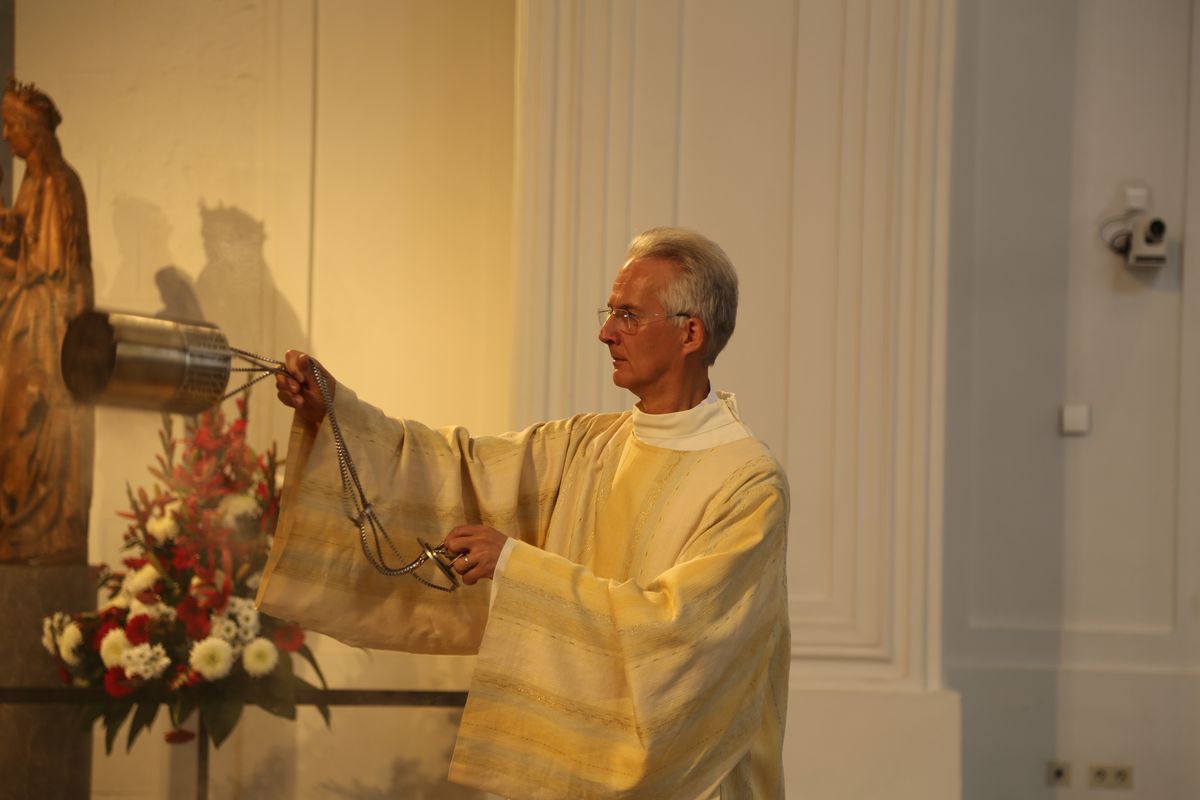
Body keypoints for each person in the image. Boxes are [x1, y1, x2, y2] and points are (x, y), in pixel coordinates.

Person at [257, 227, 790, 798]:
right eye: (609, 312)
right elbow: (458, 470)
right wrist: (338, 413)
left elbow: (682, 636)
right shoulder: (590, 444)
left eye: (629, 316)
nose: (606, 332)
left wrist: (517, 567)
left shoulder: (745, 482)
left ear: (690, 333)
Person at [0, 77, 94, 564]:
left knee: (34, 422)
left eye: (10, 127)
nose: (6, 137)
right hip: (24, 320)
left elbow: (54, 275)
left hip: (44, 329)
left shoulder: (57, 182)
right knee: (13, 428)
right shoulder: (33, 181)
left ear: (30, 132)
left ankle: (45, 526)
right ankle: (20, 527)